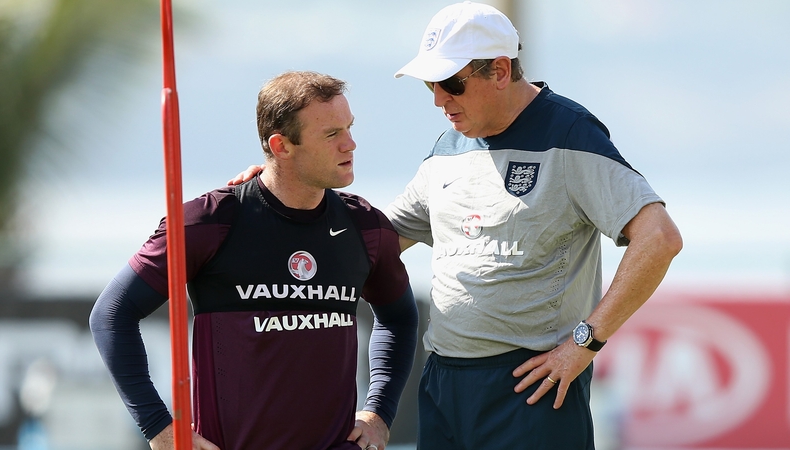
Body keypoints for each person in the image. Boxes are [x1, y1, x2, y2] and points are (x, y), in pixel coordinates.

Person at [231, 2, 683, 448]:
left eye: (451, 83)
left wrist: (584, 344)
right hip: (444, 385)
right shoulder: (450, 143)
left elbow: (659, 238)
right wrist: (280, 184)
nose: (438, 99)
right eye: (431, 83)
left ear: (501, 71)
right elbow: (373, 239)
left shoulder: (570, 135)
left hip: (531, 388)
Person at [89, 71, 418, 450]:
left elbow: (399, 318)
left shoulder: (366, 227)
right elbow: (111, 315)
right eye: (331, 134)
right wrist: (161, 430)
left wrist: (379, 412)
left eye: (349, 128)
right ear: (281, 146)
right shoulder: (209, 222)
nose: (350, 144)